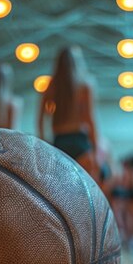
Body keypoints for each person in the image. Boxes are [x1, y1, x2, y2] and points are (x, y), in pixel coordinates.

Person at [37, 45, 97, 178]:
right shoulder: (84, 85)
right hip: (80, 140)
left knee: (61, 190)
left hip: (60, 142)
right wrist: (95, 148)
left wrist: (44, 143)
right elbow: (89, 118)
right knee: (84, 190)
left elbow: (41, 118)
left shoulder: (52, 86)